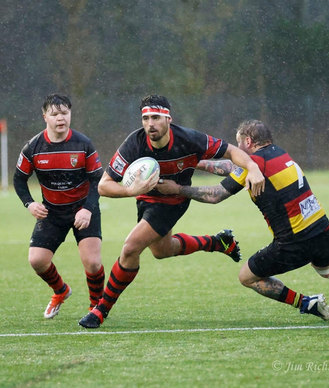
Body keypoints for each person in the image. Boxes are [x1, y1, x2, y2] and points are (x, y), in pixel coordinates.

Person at [157, 119, 329, 320]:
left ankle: (306, 303)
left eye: (238, 144)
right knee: (328, 268)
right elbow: (231, 166)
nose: (236, 149)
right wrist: (193, 162)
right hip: (321, 229)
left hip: (295, 242)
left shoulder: (255, 164)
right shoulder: (278, 153)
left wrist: (177, 189)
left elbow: (215, 195)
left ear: (248, 143)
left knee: (247, 277)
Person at [78, 95, 266, 328]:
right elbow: (103, 185)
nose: (150, 124)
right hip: (146, 200)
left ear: (168, 119)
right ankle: (217, 242)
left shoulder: (189, 139)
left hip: (173, 201)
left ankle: (101, 310)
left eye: (156, 117)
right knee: (162, 250)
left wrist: (253, 166)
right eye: (145, 118)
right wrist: (131, 190)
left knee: (130, 248)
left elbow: (231, 152)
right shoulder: (134, 143)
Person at [14, 93, 105, 320]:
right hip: (52, 212)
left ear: (70, 114)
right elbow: (18, 179)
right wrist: (30, 203)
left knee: (93, 263)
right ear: (45, 117)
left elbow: (98, 180)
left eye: (64, 113)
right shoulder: (33, 147)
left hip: (83, 209)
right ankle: (61, 291)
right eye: (54, 114)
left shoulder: (83, 144)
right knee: (37, 260)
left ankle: (96, 306)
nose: (60, 118)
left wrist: (88, 208)